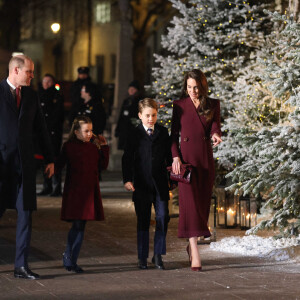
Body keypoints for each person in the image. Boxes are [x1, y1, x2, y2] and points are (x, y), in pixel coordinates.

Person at [0, 54, 54, 279]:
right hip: (2, 166)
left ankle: (21, 265)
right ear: (15, 71)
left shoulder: (31, 95)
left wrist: (50, 158)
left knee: (25, 214)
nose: (33, 75)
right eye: (29, 71)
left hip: (25, 166)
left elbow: (41, 128)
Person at [171, 69, 222, 271]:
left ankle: (191, 247)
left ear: (202, 86)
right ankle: (194, 250)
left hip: (205, 161)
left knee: (200, 206)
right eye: (189, 87)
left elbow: (215, 125)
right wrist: (175, 156)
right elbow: (173, 134)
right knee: (189, 205)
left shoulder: (213, 104)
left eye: (196, 87)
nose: (192, 91)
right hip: (186, 161)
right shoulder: (179, 105)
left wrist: (216, 134)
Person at [122, 98, 172, 270]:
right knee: (143, 220)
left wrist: (171, 178)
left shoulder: (163, 133)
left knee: (163, 217)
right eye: (147, 115)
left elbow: (169, 158)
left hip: (160, 184)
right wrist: (127, 179)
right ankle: (142, 257)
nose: (151, 119)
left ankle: (158, 255)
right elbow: (127, 158)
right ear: (140, 115)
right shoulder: (134, 134)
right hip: (141, 184)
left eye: (154, 115)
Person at [55, 116, 109, 273]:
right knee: (77, 225)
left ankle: (71, 258)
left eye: (91, 131)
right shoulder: (69, 146)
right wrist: (50, 168)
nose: (90, 134)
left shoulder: (93, 148)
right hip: (75, 191)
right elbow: (59, 163)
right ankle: (70, 257)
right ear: (77, 132)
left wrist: (104, 147)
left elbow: (102, 166)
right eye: (86, 131)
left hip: (89, 191)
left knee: (81, 225)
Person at [37, 73, 64, 196]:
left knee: (54, 159)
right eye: (44, 81)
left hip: (53, 133)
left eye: (48, 81)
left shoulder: (56, 96)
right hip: (42, 133)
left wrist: (49, 127)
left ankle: (56, 186)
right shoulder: (39, 95)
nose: (46, 84)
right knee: (44, 160)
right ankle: (47, 186)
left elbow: (58, 115)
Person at [115, 80, 142, 150]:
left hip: (133, 131)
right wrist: (118, 130)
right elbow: (121, 116)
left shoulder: (139, 102)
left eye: (133, 89)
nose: (131, 91)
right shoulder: (126, 101)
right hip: (125, 130)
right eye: (130, 89)